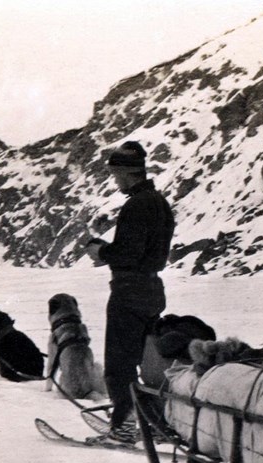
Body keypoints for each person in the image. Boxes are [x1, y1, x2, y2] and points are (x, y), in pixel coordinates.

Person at [85, 141, 175, 444]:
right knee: (147, 361)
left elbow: (128, 253)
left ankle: (123, 426)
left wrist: (101, 250)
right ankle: (157, 422)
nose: (114, 181)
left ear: (124, 173)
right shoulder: (160, 202)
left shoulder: (136, 205)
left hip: (129, 291)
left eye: (115, 175)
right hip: (152, 290)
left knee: (119, 364)